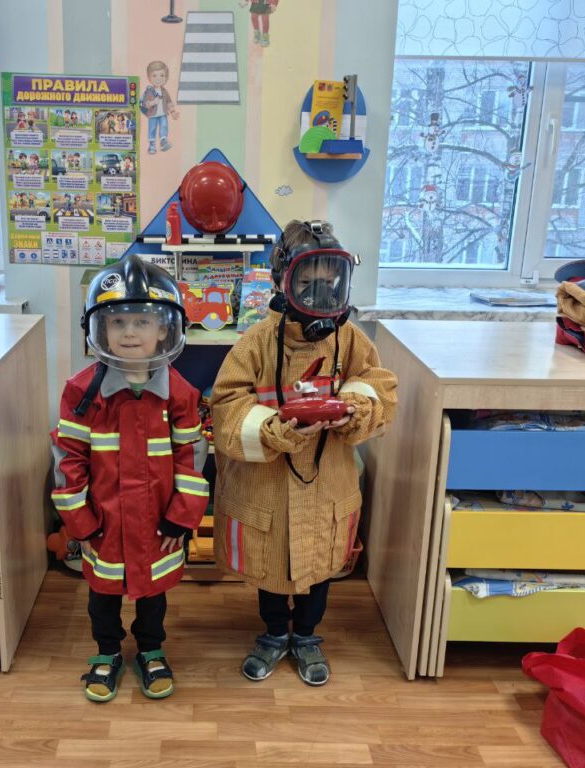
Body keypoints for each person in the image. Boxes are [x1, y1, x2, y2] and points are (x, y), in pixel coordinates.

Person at [211, 219, 397, 686]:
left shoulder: (350, 340)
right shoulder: (255, 343)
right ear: (281, 282)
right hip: (269, 485)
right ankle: (275, 633)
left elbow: (376, 384)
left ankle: (308, 636)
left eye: (330, 284)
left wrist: (353, 409)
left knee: (319, 566)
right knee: (273, 567)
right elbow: (228, 406)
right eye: (306, 284)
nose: (320, 296)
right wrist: (273, 430)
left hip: (327, 482)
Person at [50, 254, 208, 702]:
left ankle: (151, 650)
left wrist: (181, 518)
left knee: (152, 594)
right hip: (104, 524)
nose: (130, 332)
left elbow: (192, 458)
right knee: (102, 595)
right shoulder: (82, 393)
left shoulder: (180, 393)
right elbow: (68, 461)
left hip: (158, 525)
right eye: (118, 322)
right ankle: (106, 653)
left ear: (165, 330)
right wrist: (82, 525)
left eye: (142, 321)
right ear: (99, 329)